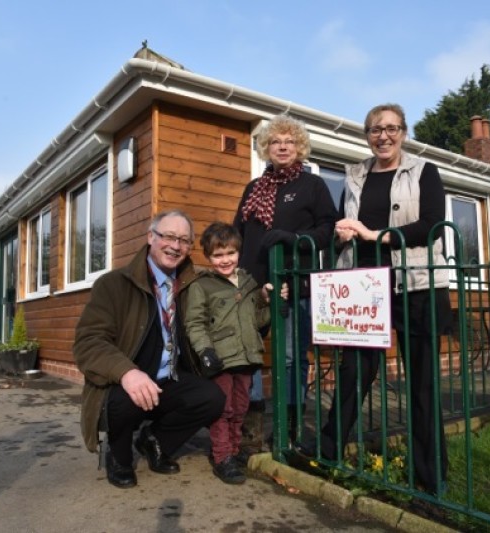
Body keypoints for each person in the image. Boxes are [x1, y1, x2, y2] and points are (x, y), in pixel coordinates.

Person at [295, 103, 452, 495]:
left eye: (391, 128)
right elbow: (345, 227)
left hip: (417, 285)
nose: (383, 136)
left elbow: (432, 226)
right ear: (366, 135)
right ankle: (329, 449)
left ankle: (429, 474)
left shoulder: (423, 171)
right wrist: (343, 233)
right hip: (366, 287)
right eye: (375, 129)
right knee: (353, 375)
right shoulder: (355, 176)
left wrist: (373, 235)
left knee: (422, 382)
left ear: (404, 132)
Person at [73, 210, 225, 489]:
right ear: (150, 238)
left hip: (169, 378)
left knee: (212, 397)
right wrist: (126, 372)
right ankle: (118, 455)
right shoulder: (113, 284)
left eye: (183, 240)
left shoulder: (193, 284)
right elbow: (88, 342)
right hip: (125, 382)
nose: (175, 246)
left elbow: (230, 305)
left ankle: (155, 440)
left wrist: (264, 298)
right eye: (168, 236)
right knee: (126, 399)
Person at [233, 114, 338, 449]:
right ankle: (250, 429)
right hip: (252, 286)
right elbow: (237, 234)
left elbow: (327, 230)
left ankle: (288, 429)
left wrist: (291, 238)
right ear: (266, 147)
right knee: (248, 355)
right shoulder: (254, 189)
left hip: (294, 285)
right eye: (276, 141)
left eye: (289, 141)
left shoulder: (313, 186)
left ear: (299, 147)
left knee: (292, 356)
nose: (282, 146)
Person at [182, 222, 285, 484]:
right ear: (208, 257)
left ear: (238, 252)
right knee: (223, 409)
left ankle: (234, 451)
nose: (224, 260)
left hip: (247, 357)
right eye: (218, 255)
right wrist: (204, 350)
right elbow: (195, 323)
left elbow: (257, 321)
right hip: (221, 360)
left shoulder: (249, 283)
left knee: (240, 408)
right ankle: (222, 457)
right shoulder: (202, 286)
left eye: (230, 253)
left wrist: (272, 305)